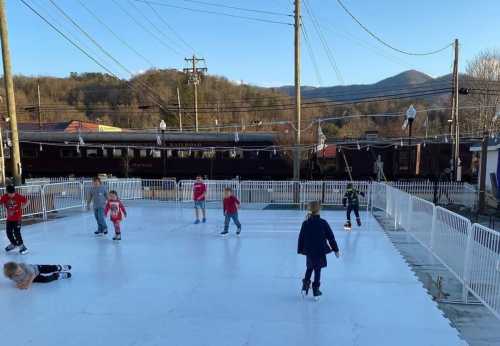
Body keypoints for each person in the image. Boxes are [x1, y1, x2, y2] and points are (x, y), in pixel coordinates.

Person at [297, 201, 339, 299]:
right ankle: (316, 290)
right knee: (317, 269)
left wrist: (300, 249)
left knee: (309, 268)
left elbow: (301, 237)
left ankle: (305, 287)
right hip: (320, 250)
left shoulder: (306, 223)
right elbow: (331, 237)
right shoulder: (323, 223)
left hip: (310, 251)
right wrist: (336, 250)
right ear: (319, 210)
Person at [1, 185, 29, 255]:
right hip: (9, 219)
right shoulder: (5, 197)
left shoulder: (18, 196)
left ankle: (22, 247)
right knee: (8, 233)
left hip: (17, 218)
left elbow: (27, 201)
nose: (12, 195)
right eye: (10, 194)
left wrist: (23, 207)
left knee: (17, 233)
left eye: (13, 193)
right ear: (7, 192)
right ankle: (13, 244)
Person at [3, 262, 71, 289]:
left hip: (36, 269)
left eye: (19, 269)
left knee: (49, 268)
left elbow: (32, 274)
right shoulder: (12, 277)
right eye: (18, 272)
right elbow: (19, 281)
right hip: (31, 277)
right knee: (45, 280)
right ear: (12, 274)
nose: (20, 271)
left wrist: (28, 284)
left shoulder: (23, 265)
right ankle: (57, 276)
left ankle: (59, 267)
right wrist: (21, 284)